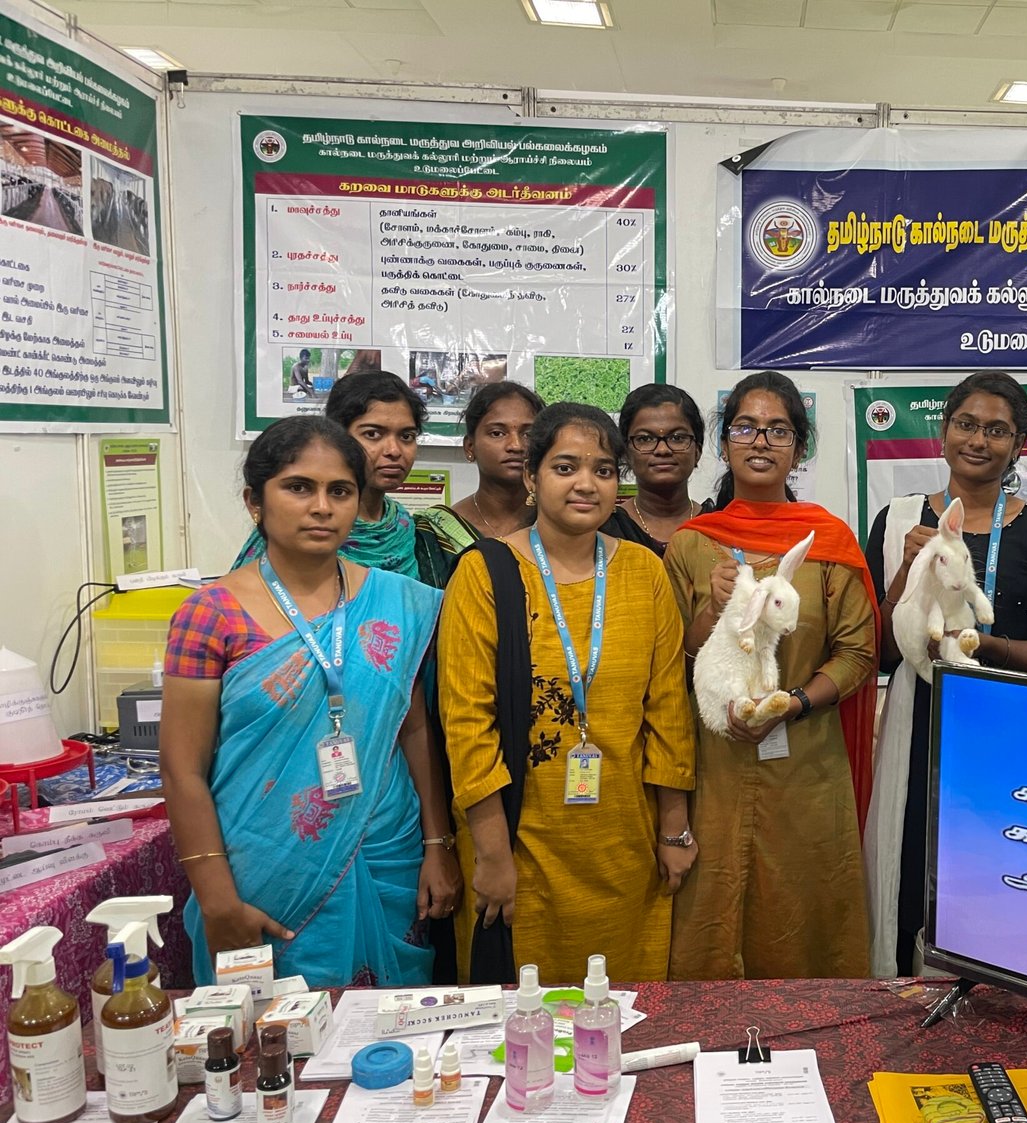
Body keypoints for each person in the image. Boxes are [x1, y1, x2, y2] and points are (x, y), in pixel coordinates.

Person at [161, 415, 461, 989]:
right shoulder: (210, 614)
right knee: (269, 1036)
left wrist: (436, 844)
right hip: (261, 867)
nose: (322, 507)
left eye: (340, 491)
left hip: (387, 852)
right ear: (255, 501)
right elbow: (182, 769)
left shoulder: (398, 600)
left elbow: (414, 729)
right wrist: (218, 900)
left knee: (395, 1031)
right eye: (299, 487)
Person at [438, 402, 697, 984]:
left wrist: (674, 828)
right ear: (531, 477)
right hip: (519, 844)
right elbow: (467, 725)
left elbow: (668, 712)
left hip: (627, 845)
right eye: (565, 467)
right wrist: (491, 855)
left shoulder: (644, 572)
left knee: (624, 1008)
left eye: (603, 470)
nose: (586, 483)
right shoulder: (484, 573)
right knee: (526, 1017)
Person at [864, 371, 1027, 976]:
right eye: (967, 424)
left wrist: (980, 646)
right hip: (917, 728)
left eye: (997, 430)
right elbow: (877, 654)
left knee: (992, 875)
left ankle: (988, 1008)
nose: (979, 440)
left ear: (1019, 444)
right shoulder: (899, 520)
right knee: (910, 872)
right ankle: (904, 1000)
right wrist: (905, 572)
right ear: (943, 431)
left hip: (1003, 729)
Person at [664, 371, 878, 980]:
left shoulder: (828, 543)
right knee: (712, 910)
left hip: (806, 768)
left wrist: (792, 703)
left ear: (799, 447)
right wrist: (711, 610)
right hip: (715, 767)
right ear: (724, 443)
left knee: (804, 914)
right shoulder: (691, 545)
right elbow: (669, 660)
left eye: (778, 430)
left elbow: (858, 653)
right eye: (745, 428)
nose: (760, 441)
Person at [233, 371, 426, 579]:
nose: (394, 451)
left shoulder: (400, 525)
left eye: (407, 436)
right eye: (372, 434)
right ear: (338, 437)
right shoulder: (303, 530)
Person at [415, 381, 544, 588]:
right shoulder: (434, 532)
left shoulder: (560, 523)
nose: (516, 446)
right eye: (497, 433)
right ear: (470, 447)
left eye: (528, 434)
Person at [604, 383, 707, 554]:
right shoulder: (606, 528)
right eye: (645, 439)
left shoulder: (716, 527)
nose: (662, 450)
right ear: (626, 453)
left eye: (677, 437)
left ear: (697, 451)